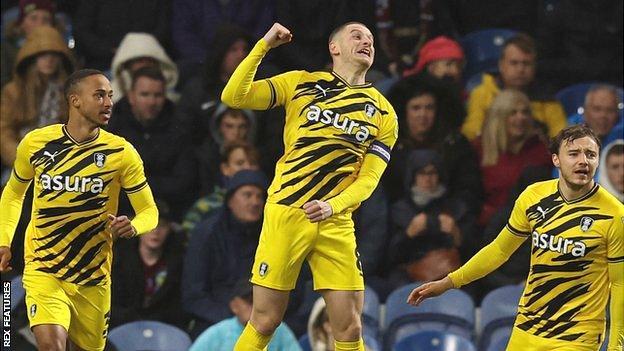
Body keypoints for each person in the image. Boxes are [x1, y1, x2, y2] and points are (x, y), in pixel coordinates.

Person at [221, 22, 398, 351]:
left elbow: (369, 180)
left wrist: (334, 206)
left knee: (349, 327)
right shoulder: (301, 83)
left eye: (371, 39)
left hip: (336, 220)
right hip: (287, 211)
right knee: (265, 319)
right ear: (335, 48)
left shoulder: (384, 113)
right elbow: (234, 95)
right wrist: (264, 46)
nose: (366, 42)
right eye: (357, 36)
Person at [407, 124, 623, 351]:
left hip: (577, 335)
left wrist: (616, 346)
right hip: (527, 327)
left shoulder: (614, 215)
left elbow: (620, 284)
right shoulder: (533, 197)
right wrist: (449, 282)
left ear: (598, 161)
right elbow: (499, 250)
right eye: (573, 153)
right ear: (556, 160)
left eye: (591, 155)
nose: (583, 161)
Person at [0, 69, 159, 351]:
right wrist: (4, 240)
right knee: (52, 347)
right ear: (75, 100)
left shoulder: (121, 153)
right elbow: (13, 193)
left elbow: (149, 211)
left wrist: (134, 226)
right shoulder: (37, 143)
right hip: (43, 268)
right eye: (99, 95)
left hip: (92, 278)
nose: (108, 103)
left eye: (110, 96)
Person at [182, 170, 268, 337]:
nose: (255, 202)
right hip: (214, 320)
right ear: (230, 200)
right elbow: (193, 295)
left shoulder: (271, 236)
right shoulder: (206, 234)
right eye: (247, 195)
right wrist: (234, 317)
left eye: (260, 197)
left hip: (265, 318)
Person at [107, 65, 196, 221]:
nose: (151, 102)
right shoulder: (111, 127)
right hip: (118, 214)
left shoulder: (180, 127)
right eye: (145, 94)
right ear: (131, 96)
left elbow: (183, 182)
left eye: (158, 95)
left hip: (167, 214)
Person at [461, 33, 567, 141]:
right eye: (514, 63)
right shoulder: (482, 93)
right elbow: (472, 133)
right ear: (501, 65)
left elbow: (562, 141)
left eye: (526, 63)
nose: (520, 69)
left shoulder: (547, 100)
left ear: (534, 67)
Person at [474, 89, 551, 226]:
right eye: (513, 113)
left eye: (525, 112)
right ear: (498, 117)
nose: (521, 117)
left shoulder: (540, 151)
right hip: (487, 226)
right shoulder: (479, 148)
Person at [1, 25, 75, 168]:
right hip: (21, 159)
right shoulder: (13, 91)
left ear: (61, 58)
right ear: (32, 57)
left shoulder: (71, 92)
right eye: (43, 54)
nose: (49, 60)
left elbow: (81, 128)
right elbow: (4, 130)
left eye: (54, 55)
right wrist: (20, 159)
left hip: (62, 160)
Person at [111, 199, 187, 329]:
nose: (155, 231)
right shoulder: (119, 258)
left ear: (170, 228)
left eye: (161, 225)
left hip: (164, 330)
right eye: (150, 225)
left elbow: (179, 306)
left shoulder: (178, 262)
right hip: (121, 328)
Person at [189, 278, 300, 351]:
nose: (256, 306)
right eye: (250, 301)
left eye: (259, 301)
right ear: (234, 305)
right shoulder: (218, 333)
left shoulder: (280, 330)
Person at [182, 141, 261, 234]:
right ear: (225, 168)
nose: (247, 168)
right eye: (240, 163)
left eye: (253, 163)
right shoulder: (205, 206)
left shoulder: (266, 205)